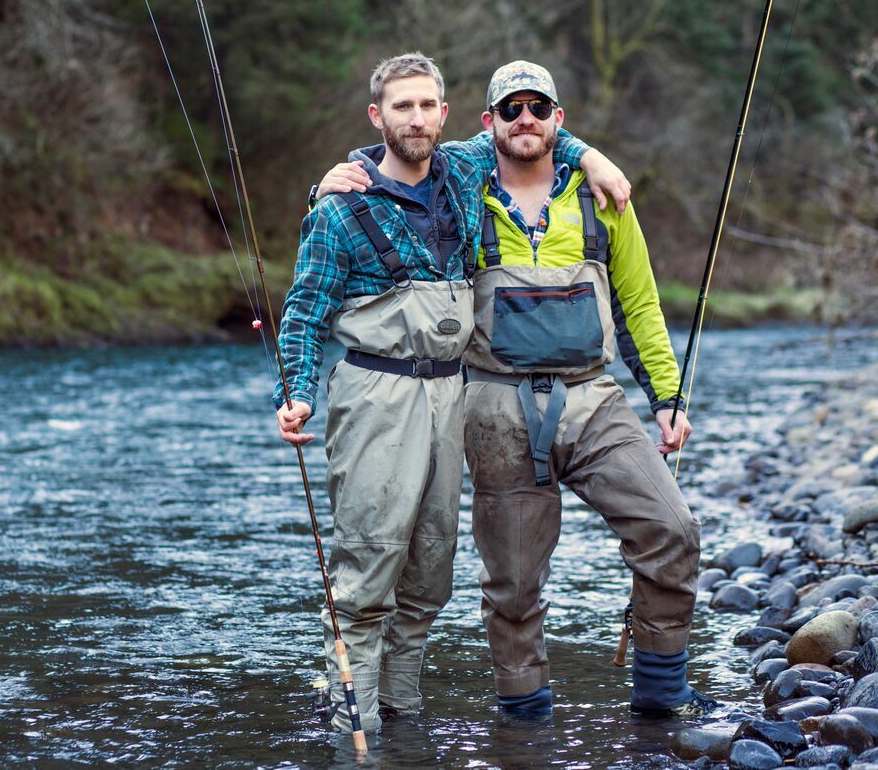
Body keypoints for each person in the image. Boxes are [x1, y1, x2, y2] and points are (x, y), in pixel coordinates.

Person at [316, 61, 716, 719]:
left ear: (560, 119)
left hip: (594, 399)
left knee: (673, 527)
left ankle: (662, 693)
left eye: (539, 107)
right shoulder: (457, 195)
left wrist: (668, 399)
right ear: (489, 123)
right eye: (511, 109)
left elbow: (641, 306)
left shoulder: (602, 198)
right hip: (495, 406)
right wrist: (328, 183)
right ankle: (525, 719)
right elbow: (394, 169)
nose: (525, 118)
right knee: (513, 583)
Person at [273, 53, 630, 735]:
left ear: (444, 114)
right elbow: (303, 310)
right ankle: (354, 722)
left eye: (425, 105)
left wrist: (592, 160)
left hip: (449, 397)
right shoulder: (340, 204)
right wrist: (296, 393)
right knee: (369, 568)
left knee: (431, 571)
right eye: (399, 106)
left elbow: (532, 126)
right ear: (377, 116)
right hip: (374, 393)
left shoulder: (465, 168)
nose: (414, 117)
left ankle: (401, 720)